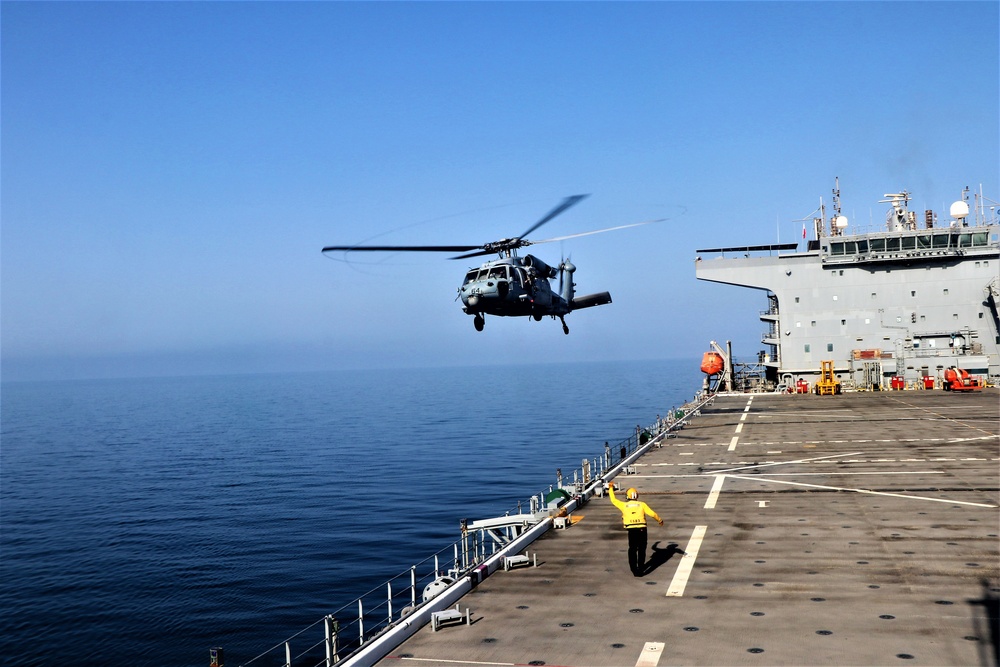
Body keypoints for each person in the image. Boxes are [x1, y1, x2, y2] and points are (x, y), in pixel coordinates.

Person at [608, 481, 663, 577]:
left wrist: (610, 488)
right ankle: (641, 569)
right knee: (642, 549)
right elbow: (652, 514)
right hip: (642, 529)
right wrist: (659, 520)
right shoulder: (642, 504)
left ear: (627, 496)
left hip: (632, 530)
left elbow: (613, 500)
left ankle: (634, 570)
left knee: (632, 549)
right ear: (636, 496)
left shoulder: (624, 505)